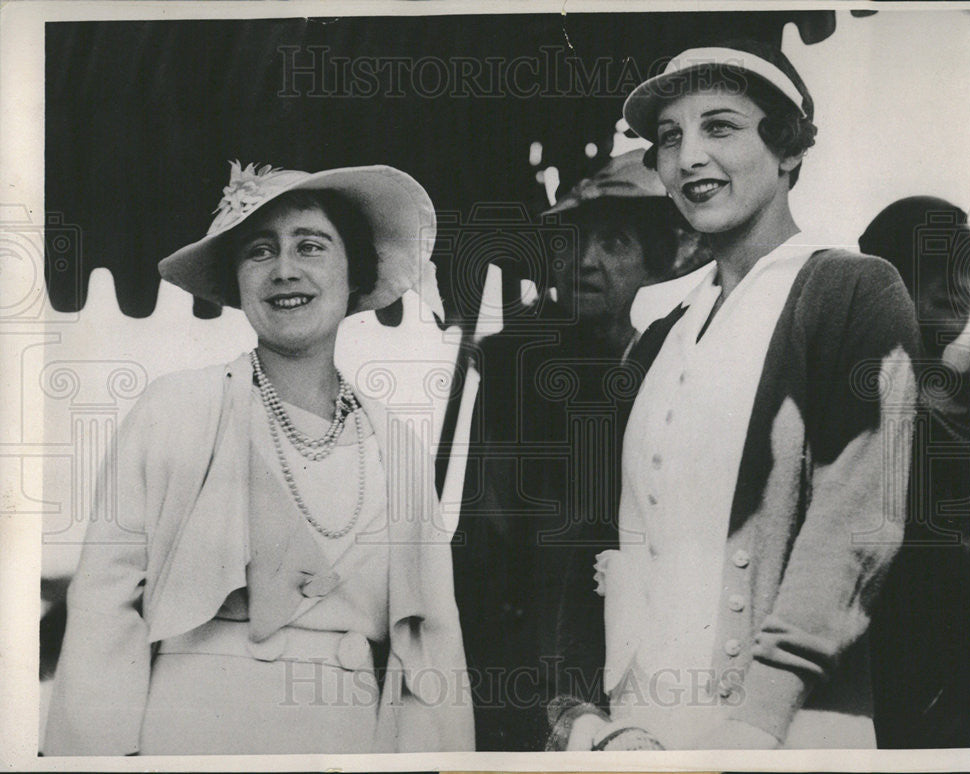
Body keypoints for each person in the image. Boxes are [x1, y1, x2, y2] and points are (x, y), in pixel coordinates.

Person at [43, 161, 473, 755]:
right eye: (259, 251)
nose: (285, 270)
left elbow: (432, 650)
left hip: (347, 736)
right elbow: (104, 610)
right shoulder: (175, 410)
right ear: (236, 280)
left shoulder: (396, 444)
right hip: (192, 734)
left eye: (312, 246)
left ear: (355, 272)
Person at [564, 41, 921, 750]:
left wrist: (757, 722)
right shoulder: (657, 335)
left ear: (787, 149)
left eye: (719, 127)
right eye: (669, 138)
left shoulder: (851, 290)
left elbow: (855, 522)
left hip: (783, 730)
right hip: (640, 733)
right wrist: (588, 721)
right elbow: (600, 538)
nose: (689, 155)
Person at [451, 150, 707, 751]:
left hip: (628, 632)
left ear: (654, 259)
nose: (586, 262)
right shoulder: (516, 362)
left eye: (615, 243)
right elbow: (487, 527)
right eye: (570, 243)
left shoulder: (663, 367)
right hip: (519, 643)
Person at [859, 197, 970, 748]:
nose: (961, 286)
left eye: (966, 265)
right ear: (898, 279)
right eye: (939, 266)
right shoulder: (870, 388)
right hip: (898, 667)